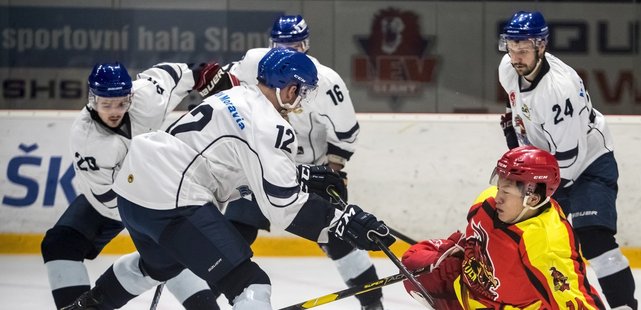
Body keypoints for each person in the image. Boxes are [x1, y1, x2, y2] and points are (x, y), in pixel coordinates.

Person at [60, 47, 395, 310]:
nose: (301, 99)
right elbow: (283, 206)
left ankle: (86, 306)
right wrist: (342, 221)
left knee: (157, 266)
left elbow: (233, 162)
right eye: (300, 91)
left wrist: (302, 174)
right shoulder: (271, 127)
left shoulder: (236, 94)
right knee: (251, 286)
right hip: (172, 200)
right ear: (287, 88)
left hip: (135, 195)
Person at [216, 15, 382, 309]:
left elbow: (346, 135)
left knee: (341, 237)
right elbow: (220, 92)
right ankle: (203, 301)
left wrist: (329, 172)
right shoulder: (253, 66)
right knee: (231, 238)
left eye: (295, 45)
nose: (288, 52)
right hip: (260, 169)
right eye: (281, 45)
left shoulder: (325, 81)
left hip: (312, 174)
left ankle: (372, 302)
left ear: (306, 44)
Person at [41, 61, 231, 309]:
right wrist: (157, 224)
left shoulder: (147, 96)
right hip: (114, 202)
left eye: (121, 103)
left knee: (169, 255)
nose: (114, 111)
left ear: (131, 96)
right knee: (61, 244)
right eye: (106, 104)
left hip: (163, 186)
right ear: (92, 99)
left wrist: (206, 77)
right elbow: (109, 201)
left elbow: (182, 73)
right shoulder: (87, 140)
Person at [496, 10, 637, 309]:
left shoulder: (560, 92)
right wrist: (517, 142)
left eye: (523, 49)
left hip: (587, 165)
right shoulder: (508, 68)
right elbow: (525, 116)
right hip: (547, 167)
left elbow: (570, 164)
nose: (515, 56)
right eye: (511, 47)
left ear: (541, 46)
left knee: (595, 241)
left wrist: (531, 186)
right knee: (524, 238)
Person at [401, 146, 605, 309]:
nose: (496, 197)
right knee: (414, 261)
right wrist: (459, 249)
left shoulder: (546, 244)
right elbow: (473, 238)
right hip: (470, 291)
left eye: (506, 192)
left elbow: (577, 300)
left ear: (532, 199)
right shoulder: (487, 202)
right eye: (499, 187)